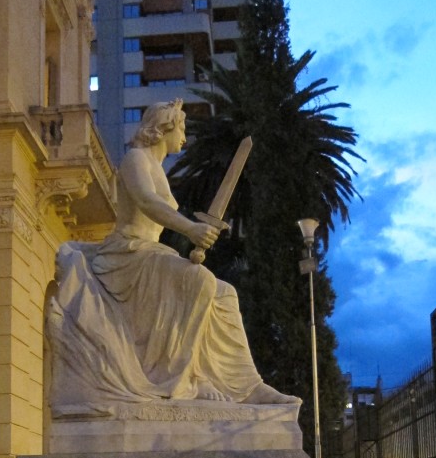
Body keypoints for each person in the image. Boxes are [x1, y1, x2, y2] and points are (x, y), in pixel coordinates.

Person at [48, 99, 299, 412]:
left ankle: (246, 385)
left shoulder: (156, 167)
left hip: (149, 254)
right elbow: (147, 202)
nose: (185, 135)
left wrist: (193, 231)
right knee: (199, 280)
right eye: (181, 127)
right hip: (126, 255)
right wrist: (191, 230)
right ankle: (179, 378)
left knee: (225, 294)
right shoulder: (135, 159)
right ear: (163, 127)